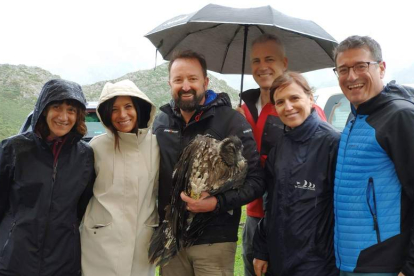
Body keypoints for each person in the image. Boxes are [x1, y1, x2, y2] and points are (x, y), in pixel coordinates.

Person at [152, 50, 265, 276]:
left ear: (205, 81)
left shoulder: (231, 121)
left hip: (214, 241)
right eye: (178, 80)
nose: (185, 86)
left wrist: (217, 202)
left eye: (192, 79)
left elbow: (256, 181)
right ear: (169, 83)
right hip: (171, 239)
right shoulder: (162, 121)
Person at [238, 33, 327, 276]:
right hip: (254, 215)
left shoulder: (305, 112)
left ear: (284, 63)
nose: (262, 66)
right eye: (256, 60)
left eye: (269, 59)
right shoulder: (244, 108)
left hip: (292, 219)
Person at [333, 35, 414, 276]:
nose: (352, 76)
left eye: (361, 66)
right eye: (343, 69)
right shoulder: (354, 116)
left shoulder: (401, 117)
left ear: (381, 68)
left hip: (385, 264)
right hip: (350, 262)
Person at [0, 79, 95, 275]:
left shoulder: (85, 156)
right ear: (44, 110)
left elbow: (80, 208)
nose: (63, 116)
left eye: (71, 110)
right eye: (56, 107)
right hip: (14, 259)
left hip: (62, 262)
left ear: (78, 115)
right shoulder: (14, 148)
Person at [252, 71, 340, 276]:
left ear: (310, 99)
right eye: (280, 102)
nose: (288, 107)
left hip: (317, 263)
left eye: (294, 98)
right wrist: (262, 250)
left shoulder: (332, 144)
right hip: (279, 259)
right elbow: (271, 204)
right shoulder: (280, 147)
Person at [81, 79, 159, 276]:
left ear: (139, 108)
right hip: (101, 245)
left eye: (128, 106)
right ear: (107, 114)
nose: (122, 115)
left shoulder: (156, 146)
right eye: (114, 109)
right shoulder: (96, 147)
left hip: (142, 244)